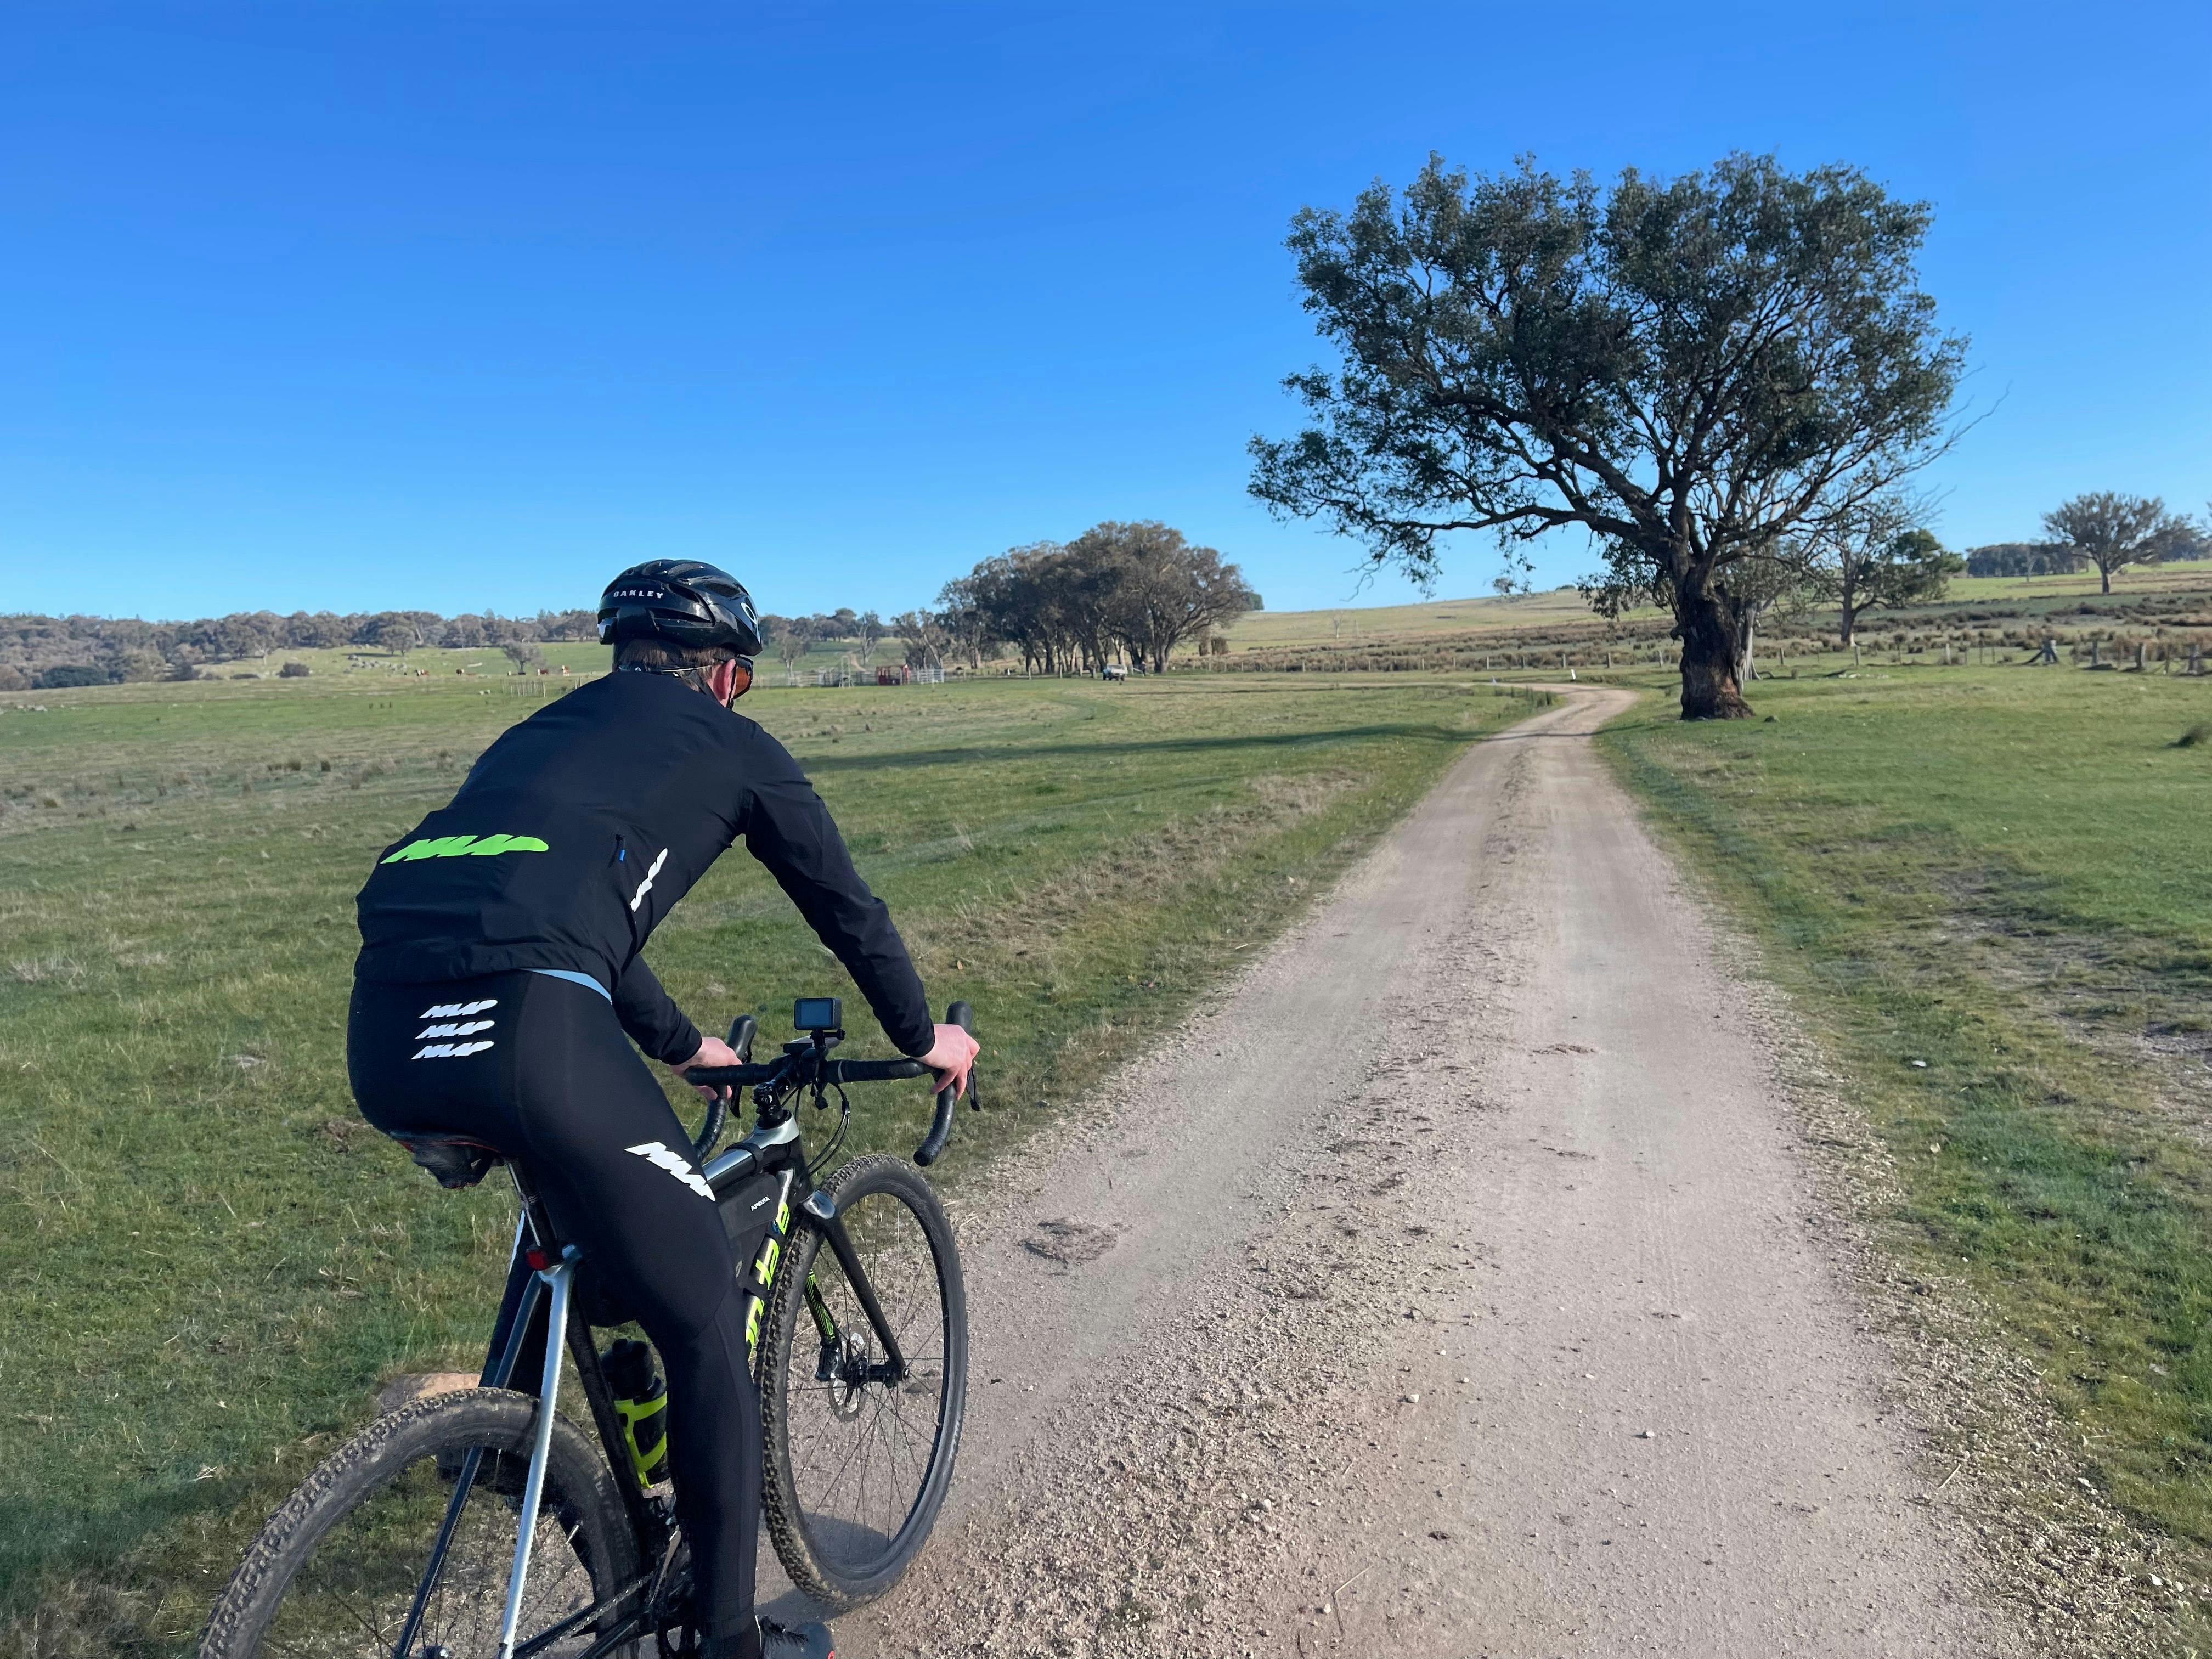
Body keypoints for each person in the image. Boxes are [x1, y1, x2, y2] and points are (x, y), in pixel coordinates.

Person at [345, 560, 978, 1659]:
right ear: (729, 675)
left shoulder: (543, 731)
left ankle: (529, 1451)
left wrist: (688, 1047)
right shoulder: (735, 747)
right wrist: (928, 1039)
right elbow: (846, 907)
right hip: (532, 1028)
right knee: (701, 1325)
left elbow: (553, 912)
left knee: (585, 1233)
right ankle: (725, 1641)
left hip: (386, 1023)